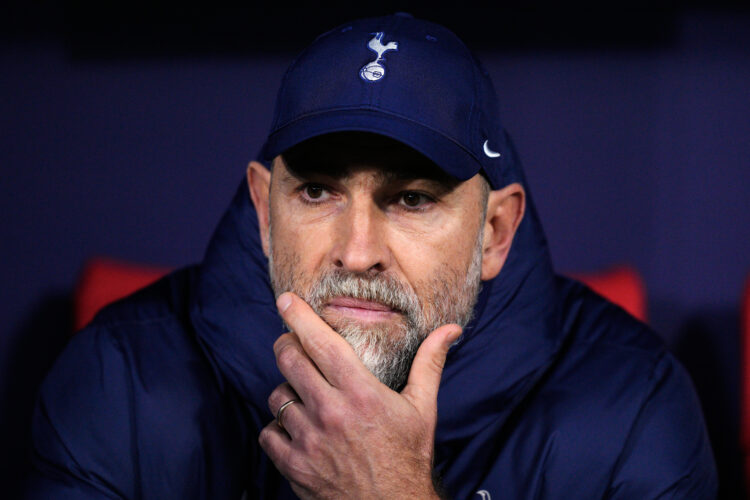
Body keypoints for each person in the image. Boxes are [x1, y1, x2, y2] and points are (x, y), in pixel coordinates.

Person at [26, 13, 717, 499]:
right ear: (265, 212)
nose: (357, 253)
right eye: (318, 191)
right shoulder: (117, 380)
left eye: (412, 199)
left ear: (494, 233)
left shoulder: (634, 406)